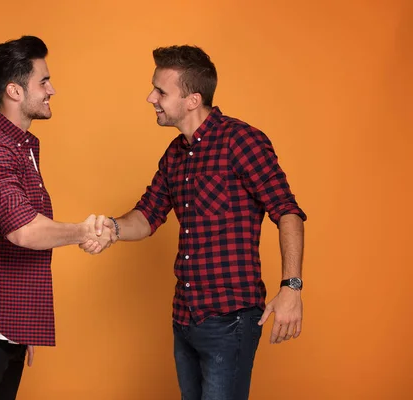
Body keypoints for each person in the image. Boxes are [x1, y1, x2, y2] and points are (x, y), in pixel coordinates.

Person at [83, 45, 307, 400]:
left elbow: (288, 212)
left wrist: (291, 287)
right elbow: (147, 215)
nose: (150, 97)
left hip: (229, 318)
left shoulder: (241, 141)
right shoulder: (174, 154)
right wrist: (113, 227)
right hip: (185, 318)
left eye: (161, 91)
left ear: (192, 99)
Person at [0, 35, 114, 400]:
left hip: (5, 329)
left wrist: (21, 324)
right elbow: (23, 230)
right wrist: (85, 231)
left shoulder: (19, 147)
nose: (53, 89)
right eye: (43, 81)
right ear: (15, 92)